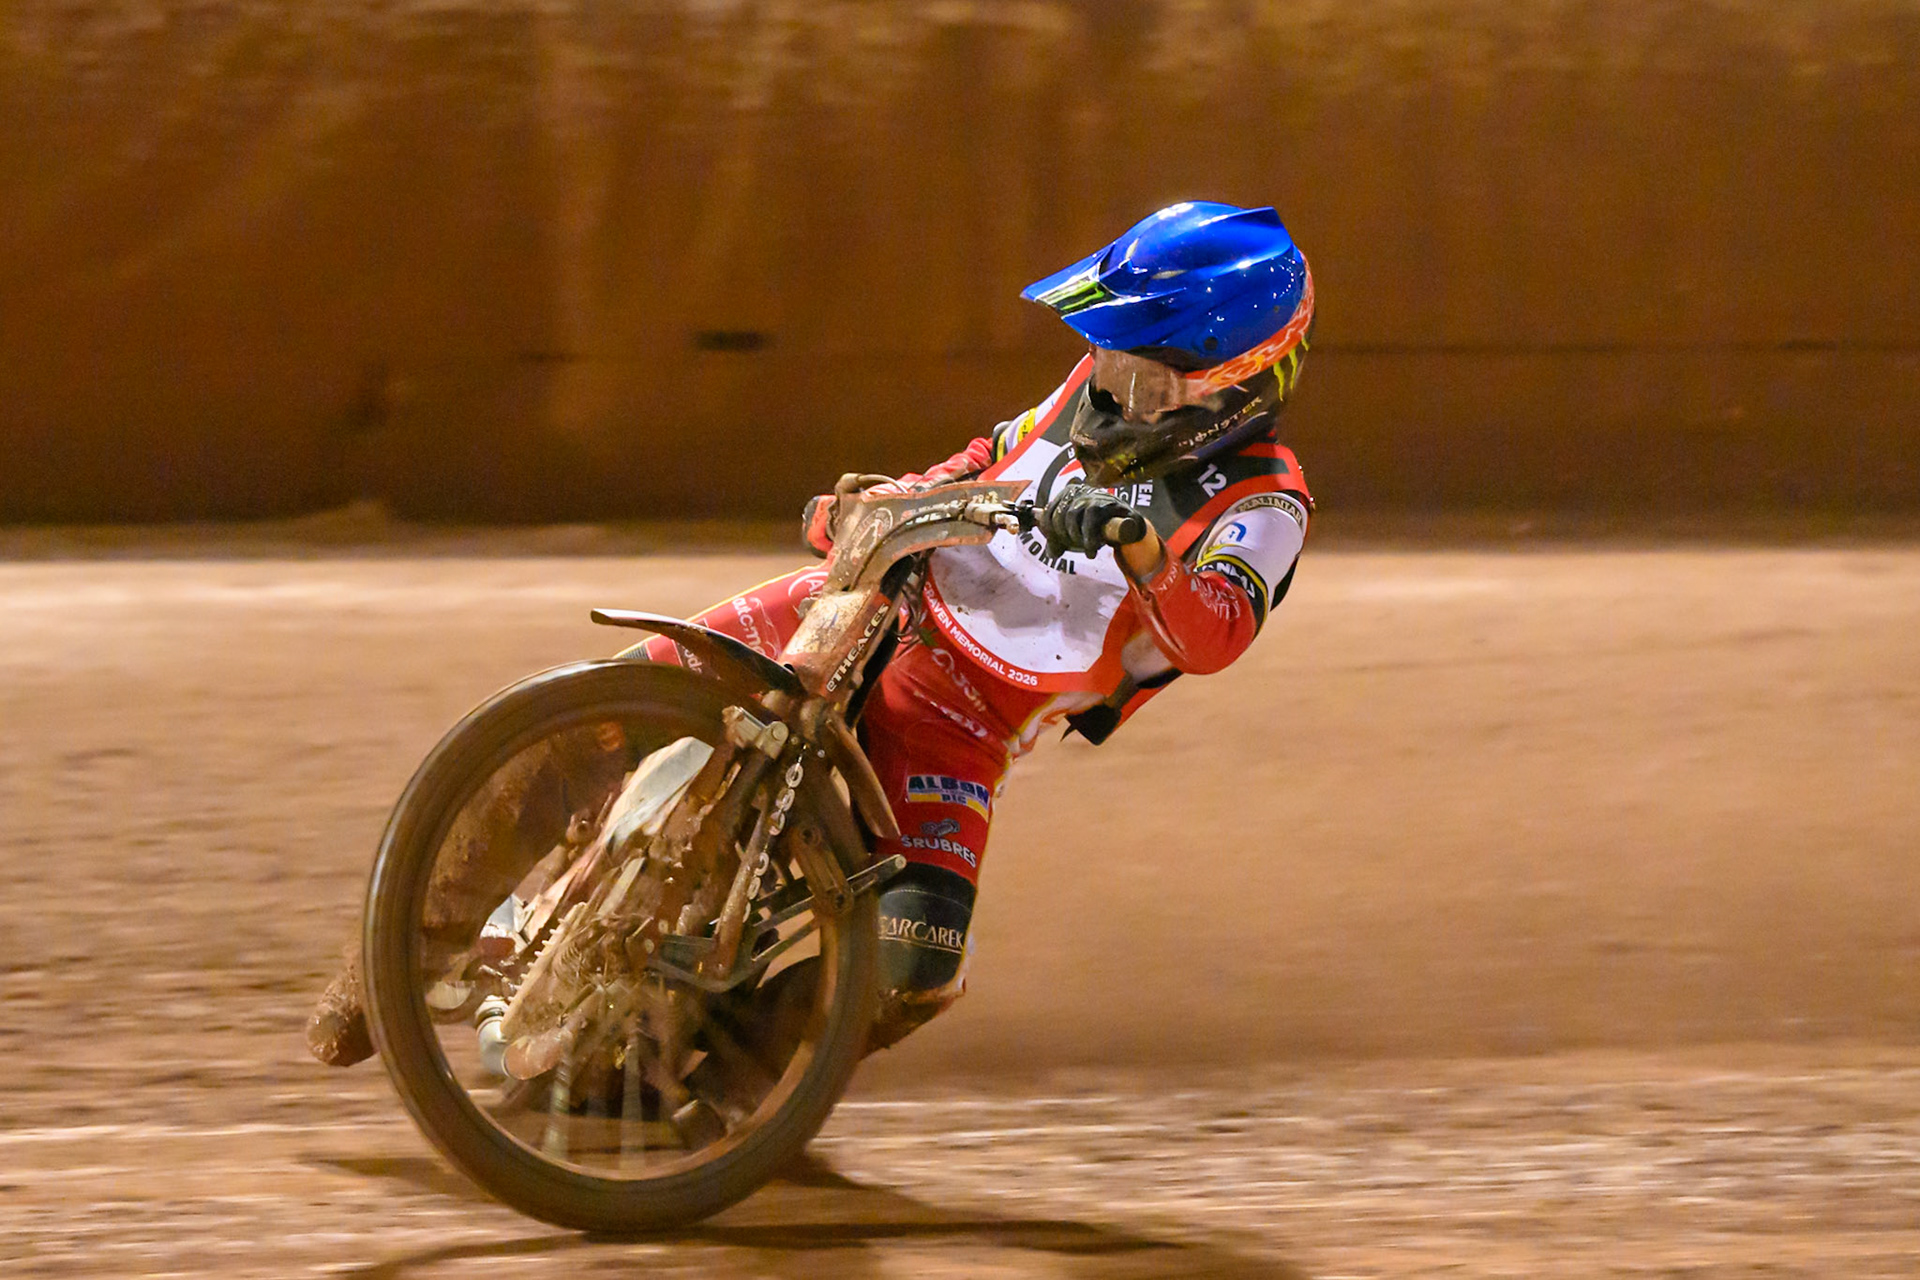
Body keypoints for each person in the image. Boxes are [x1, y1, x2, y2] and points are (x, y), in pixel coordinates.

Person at [307, 198, 1316, 1068]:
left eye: (1144, 374)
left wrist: (1138, 543)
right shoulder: (1089, 392)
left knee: (908, 967)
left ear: (1237, 382)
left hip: (960, 718)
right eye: (1108, 353)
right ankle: (396, 948)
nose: (1109, 383)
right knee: (607, 705)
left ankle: (708, 1096)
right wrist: (895, 495)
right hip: (874, 602)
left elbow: (1215, 630)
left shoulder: (1266, 502)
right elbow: (991, 457)